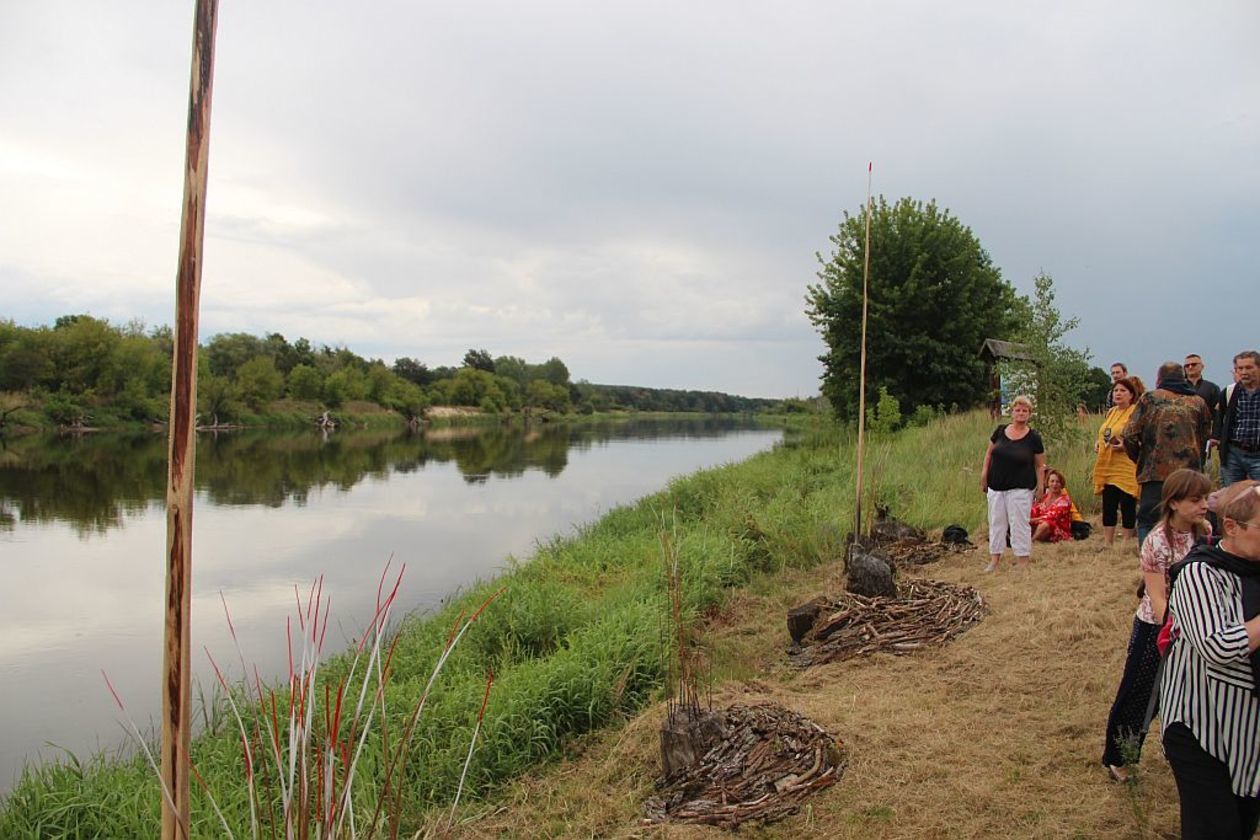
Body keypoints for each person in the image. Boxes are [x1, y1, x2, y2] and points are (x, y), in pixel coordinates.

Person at [1159, 480, 1260, 838]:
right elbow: (1217, 647)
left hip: (1249, 732)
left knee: (1243, 822)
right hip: (1202, 728)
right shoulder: (1199, 574)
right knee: (1216, 829)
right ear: (1231, 527)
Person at [1101, 469, 1211, 783]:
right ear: (1174, 503)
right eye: (1196, 499)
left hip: (1196, 628)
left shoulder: (1203, 531)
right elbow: (1158, 598)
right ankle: (1119, 758)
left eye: (1205, 498)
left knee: (1188, 696)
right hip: (1158, 629)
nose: (1204, 504)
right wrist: (1174, 632)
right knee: (1141, 693)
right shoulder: (1156, 543)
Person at [1122, 362, 1213, 544]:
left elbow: (1128, 434)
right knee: (1189, 519)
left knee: (1148, 519)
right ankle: (1186, 561)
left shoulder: (1149, 399)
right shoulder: (1198, 402)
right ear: (1183, 379)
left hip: (1155, 473)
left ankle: (1149, 562)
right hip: (1188, 475)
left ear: (1159, 379)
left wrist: (1140, 458)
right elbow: (1205, 438)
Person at [980, 395, 1045, 571]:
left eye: (1025, 410)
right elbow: (989, 454)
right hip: (996, 485)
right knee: (996, 522)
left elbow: (1040, 465)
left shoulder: (1034, 438)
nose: (1021, 413)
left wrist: (1041, 486)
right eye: (1018, 410)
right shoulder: (1000, 431)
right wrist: (984, 473)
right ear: (1012, 412)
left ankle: (1022, 561)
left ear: (1030, 414)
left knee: (1019, 523)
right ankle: (994, 559)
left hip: (1021, 487)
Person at [1093, 377, 1141, 545]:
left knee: (1127, 504)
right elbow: (1105, 432)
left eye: (1123, 391)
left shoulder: (1135, 412)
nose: (1118, 394)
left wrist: (1125, 445)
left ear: (1131, 395)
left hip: (1126, 465)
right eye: (1116, 391)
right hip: (1108, 465)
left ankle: (1127, 542)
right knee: (1109, 504)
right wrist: (1098, 443)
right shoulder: (1111, 412)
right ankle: (1108, 542)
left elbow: (1140, 437)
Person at [1213, 350, 1260, 485]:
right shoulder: (1230, 391)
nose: (1244, 372)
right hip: (1234, 453)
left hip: (1258, 454)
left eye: (1249, 367)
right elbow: (1220, 418)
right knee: (1231, 498)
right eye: (1240, 368)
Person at [1031, 468, 1074, 542]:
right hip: (1039, 525)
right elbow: (1033, 511)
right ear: (1047, 483)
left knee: (1046, 524)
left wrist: (1031, 520)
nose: (1055, 484)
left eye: (1058, 482)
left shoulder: (1064, 501)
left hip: (1057, 530)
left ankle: (1031, 542)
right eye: (1052, 481)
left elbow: (1050, 517)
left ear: (1061, 484)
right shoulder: (1043, 498)